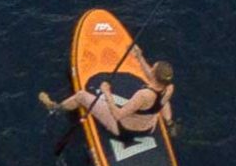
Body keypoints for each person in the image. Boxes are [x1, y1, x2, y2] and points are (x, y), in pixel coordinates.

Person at [44, 59, 176, 138]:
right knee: (164, 102)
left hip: (124, 130)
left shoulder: (143, 95)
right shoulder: (168, 88)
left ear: (154, 72)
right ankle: (169, 123)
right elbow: (152, 78)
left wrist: (107, 92)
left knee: (81, 96)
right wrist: (139, 57)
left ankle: (55, 108)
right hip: (148, 130)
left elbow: (118, 115)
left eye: (152, 67)